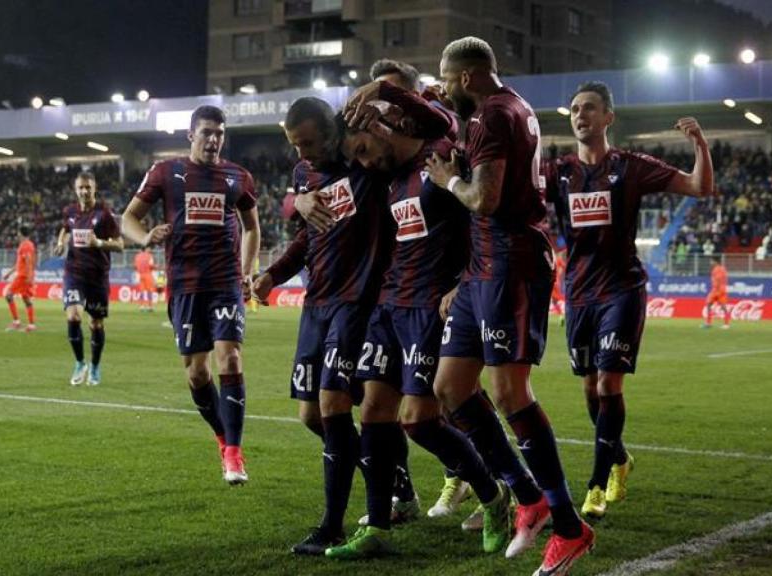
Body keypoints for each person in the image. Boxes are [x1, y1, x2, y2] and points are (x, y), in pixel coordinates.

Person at [425, 36, 594, 573]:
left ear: (468, 77)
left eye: (448, 81)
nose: (446, 89)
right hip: (482, 268)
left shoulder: (491, 118)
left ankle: (569, 526)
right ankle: (527, 495)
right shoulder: (508, 107)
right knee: (450, 389)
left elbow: (484, 199)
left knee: (508, 391)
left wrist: (446, 177)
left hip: (511, 263)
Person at [323, 98, 513, 559]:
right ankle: (377, 529)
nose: (366, 161)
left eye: (366, 148)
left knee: (418, 420)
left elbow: (482, 221)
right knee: (373, 412)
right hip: (390, 307)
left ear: (380, 127)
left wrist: (464, 283)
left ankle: (493, 496)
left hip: (430, 308)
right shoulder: (387, 180)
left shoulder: (441, 157)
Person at [547, 81, 715, 521]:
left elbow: (699, 186)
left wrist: (699, 143)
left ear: (608, 118)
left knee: (608, 385)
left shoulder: (632, 167)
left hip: (622, 290)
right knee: (589, 388)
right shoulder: (557, 172)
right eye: (575, 109)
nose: (580, 115)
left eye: (590, 108)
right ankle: (620, 458)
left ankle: (596, 485)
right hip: (579, 294)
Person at [252, 97, 401, 554]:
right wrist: (273, 273)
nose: (302, 154)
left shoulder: (365, 163)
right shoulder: (303, 177)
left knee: (335, 404)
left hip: (358, 301)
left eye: (309, 142)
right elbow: (307, 236)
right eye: (295, 145)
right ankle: (392, 474)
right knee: (310, 414)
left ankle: (334, 526)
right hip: (316, 303)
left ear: (332, 133)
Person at [121, 105, 260, 485]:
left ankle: (234, 452)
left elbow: (251, 227)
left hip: (225, 282)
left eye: (219, 133)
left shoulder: (237, 177)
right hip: (184, 284)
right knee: (198, 373)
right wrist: (145, 237)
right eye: (207, 132)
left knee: (229, 358)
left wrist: (247, 272)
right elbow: (128, 218)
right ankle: (221, 437)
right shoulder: (167, 172)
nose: (214, 139)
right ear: (191, 135)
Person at [55, 172, 124, 386]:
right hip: (74, 273)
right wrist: (60, 243)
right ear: (76, 189)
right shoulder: (70, 211)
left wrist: (99, 244)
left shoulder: (104, 214)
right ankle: (79, 363)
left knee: (95, 324)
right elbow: (65, 229)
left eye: (88, 187)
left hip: (97, 277)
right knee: (74, 316)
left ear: (94, 188)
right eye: (81, 187)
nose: (84, 191)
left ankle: (94, 366)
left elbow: (120, 244)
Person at [3, 226, 37, 332]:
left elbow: (28, 261)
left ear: (21, 234)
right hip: (25, 274)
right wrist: (9, 273)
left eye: (18, 233)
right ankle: (31, 325)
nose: (17, 235)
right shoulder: (29, 244)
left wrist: (28, 276)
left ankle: (16, 322)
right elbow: (21, 263)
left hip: (23, 276)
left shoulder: (25, 245)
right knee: (26, 299)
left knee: (9, 295)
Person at [703, 256, 730, 329]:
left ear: (715, 262)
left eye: (711, 261)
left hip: (718, 290)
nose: (710, 263)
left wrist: (717, 290)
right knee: (709, 304)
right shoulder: (719, 269)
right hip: (718, 290)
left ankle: (726, 324)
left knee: (722, 307)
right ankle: (709, 323)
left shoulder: (719, 269)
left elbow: (719, 279)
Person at [133, 246, 157, 312]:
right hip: (148, 274)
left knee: (142, 291)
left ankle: (141, 306)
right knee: (150, 291)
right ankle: (150, 306)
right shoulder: (149, 256)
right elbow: (151, 265)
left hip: (140, 275)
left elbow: (135, 266)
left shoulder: (137, 256)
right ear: (146, 249)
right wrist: (156, 267)